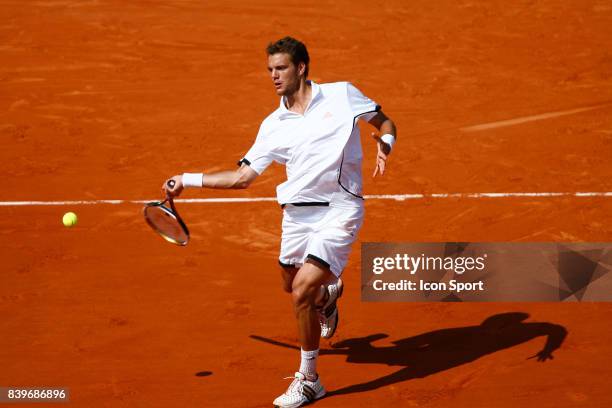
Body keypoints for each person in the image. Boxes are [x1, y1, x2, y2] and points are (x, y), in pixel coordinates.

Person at [163, 36, 397, 408]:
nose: (273, 76)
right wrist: (187, 178)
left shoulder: (342, 95)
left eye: (281, 68)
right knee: (292, 285)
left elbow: (385, 121)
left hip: (339, 208)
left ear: (301, 68)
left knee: (301, 290)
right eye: (270, 69)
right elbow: (242, 178)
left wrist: (386, 143)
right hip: (296, 215)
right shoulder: (272, 125)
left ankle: (309, 379)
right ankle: (328, 296)